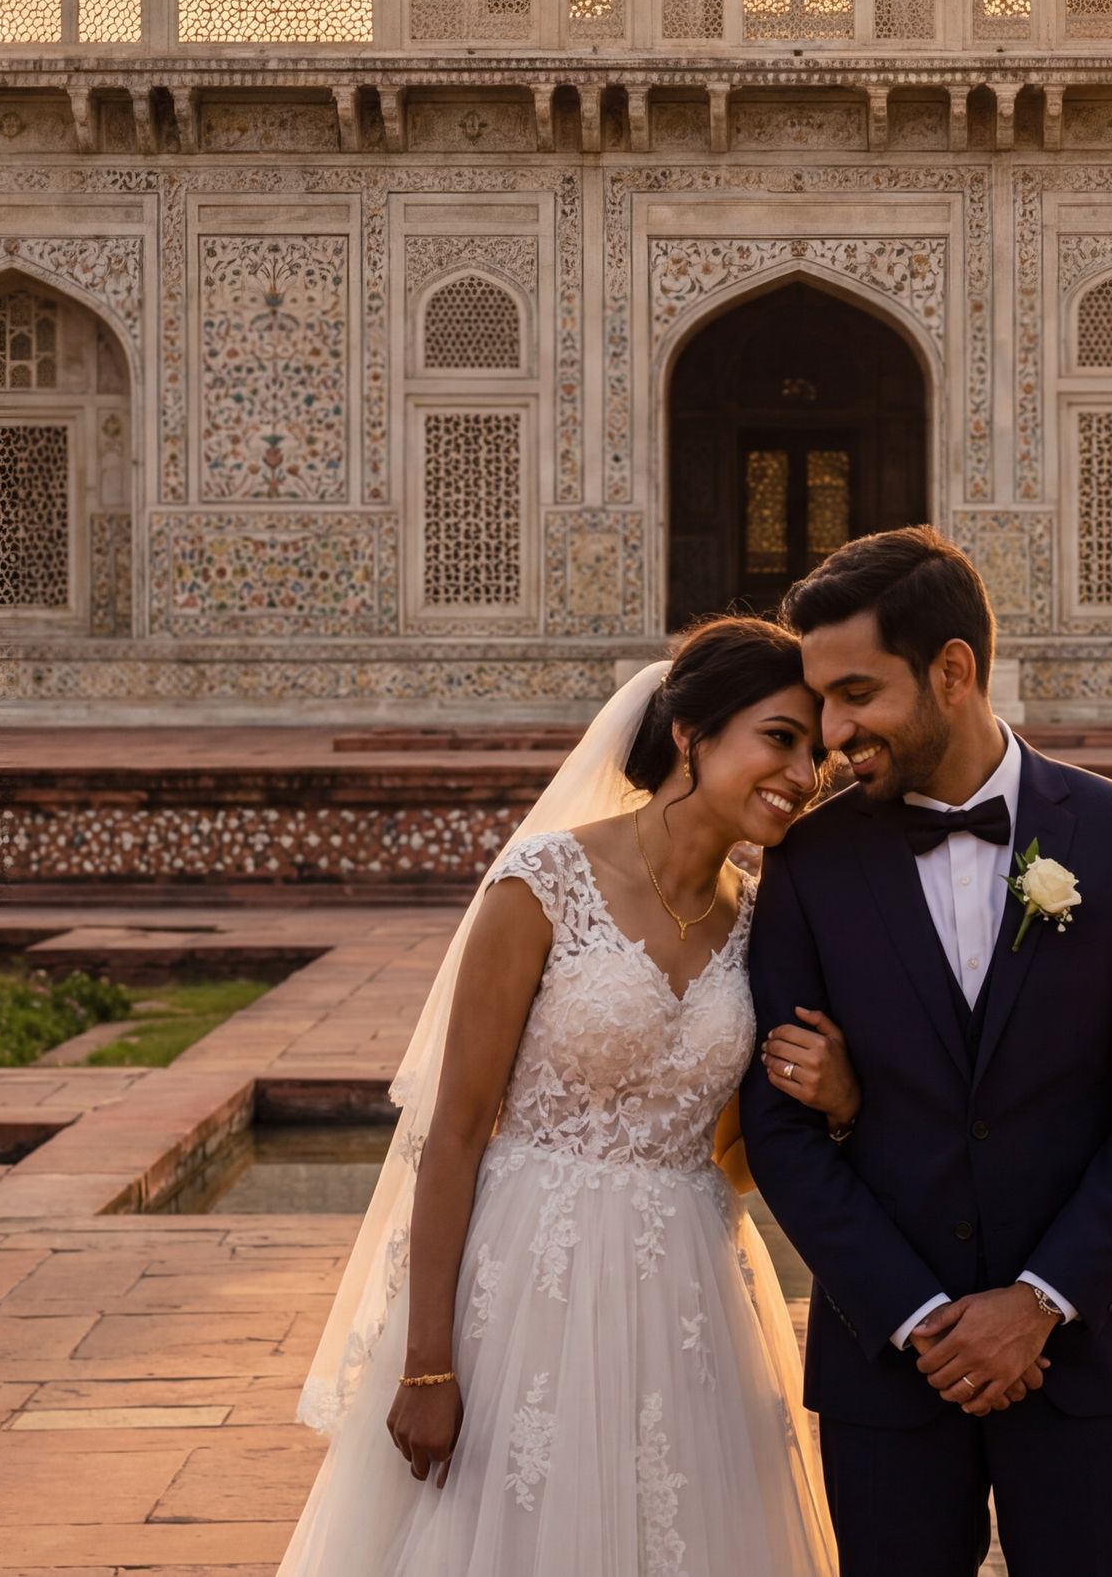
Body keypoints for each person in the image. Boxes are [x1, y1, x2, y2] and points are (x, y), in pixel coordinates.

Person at [282, 619, 853, 1576]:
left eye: (818, 754)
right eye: (780, 737)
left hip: (690, 1292)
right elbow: (453, 1136)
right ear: (691, 733)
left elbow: (753, 1132)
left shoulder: (764, 917)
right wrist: (428, 1361)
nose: (802, 775)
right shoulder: (542, 885)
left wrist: (836, 1096)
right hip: (527, 1285)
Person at [744, 527, 1112, 1577]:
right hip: (887, 1367)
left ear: (952, 671)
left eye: (857, 693)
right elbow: (779, 1127)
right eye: (822, 701)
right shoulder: (809, 864)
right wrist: (917, 1317)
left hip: (1092, 1358)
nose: (831, 729)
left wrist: (1038, 1302)